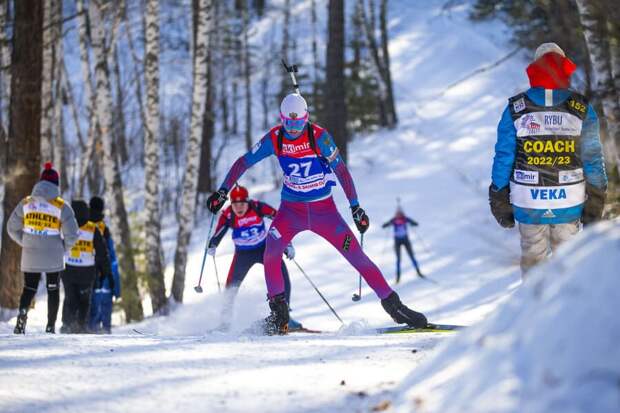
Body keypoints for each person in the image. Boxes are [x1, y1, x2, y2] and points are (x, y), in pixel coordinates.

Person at [206, 93, 427, 334]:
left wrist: (355, 207)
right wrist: (222, 192)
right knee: (271, 251)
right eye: (287, 123)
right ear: (281, 120)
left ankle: (395, 307)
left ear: (306, 118)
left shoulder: (319, 137)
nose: (292, 128)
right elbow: (243, 162)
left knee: (356, 256)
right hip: (291, 212)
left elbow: (341, 171)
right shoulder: (275, 138)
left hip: (325, 214)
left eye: (298, 122)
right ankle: (279, 316)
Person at [489, 42, 607, 276]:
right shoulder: (581, 108)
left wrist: (498, 194)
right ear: (564, 68)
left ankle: (534, 309)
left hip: (529, 201)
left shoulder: (516, 108)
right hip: (569, 201)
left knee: (533, 271)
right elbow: (593, 157)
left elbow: (504, 156)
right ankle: (566, 311)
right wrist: (596, 196)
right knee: (568, 271)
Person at [207, 185, 298, 329]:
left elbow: (279, 220)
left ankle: (286, 317)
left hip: (264, 249)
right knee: (231, 286)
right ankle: (224, 323)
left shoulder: (257, 207)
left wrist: (287, 243)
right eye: (235, 204)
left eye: (242, 204)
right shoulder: (228, 215)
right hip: (243, 255)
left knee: (282, 275)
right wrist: (212, 244)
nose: (239, 208)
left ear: (247, 201)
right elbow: (218, 233)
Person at [6, 163, 79, 334]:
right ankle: (50, 326)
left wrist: (25, 241)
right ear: (56, 184)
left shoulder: (26, 203)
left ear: (40, 183)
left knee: (29, 288)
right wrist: (63, 247)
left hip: (30, 252)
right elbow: (72, 234)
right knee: (52, 289)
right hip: (53, 254)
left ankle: (22, 317)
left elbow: (11, 228)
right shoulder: (61, 206)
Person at [61, 200, 113, 333]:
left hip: (68, 269)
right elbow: (102, 252)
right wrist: (105, 271)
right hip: (87, 270)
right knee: (84, 300)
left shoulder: (66, 225)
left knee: (70, 297)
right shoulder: (92, 228)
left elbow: (57, 246)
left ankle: (67, 324)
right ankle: (81, 325)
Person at [88, 196, 121, 334]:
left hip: (86, 275)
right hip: (105, 278)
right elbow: (112, 258)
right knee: (105, 319)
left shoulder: (82, 224)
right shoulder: (103, 229)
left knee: (90, 315)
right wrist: (116, 287)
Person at [382, 208, 424, 283]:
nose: (398, 215)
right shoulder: (394, 220)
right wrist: (386, 225)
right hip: (397, 241)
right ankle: (398, 277)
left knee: (412, 256)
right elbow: (385, 224)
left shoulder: (405, 219)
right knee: (398, 259)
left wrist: (413, 223)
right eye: (397, 214)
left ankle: (418, 272)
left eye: (400, 214)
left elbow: (415, 223)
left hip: (405, 240)